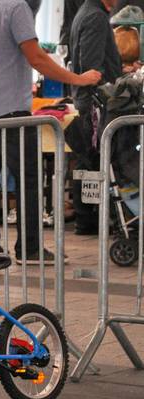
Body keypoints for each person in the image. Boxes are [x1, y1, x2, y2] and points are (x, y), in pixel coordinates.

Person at [0, 0, 101, 264]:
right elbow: (36, 57)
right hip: (11, 112)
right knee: (28, 178)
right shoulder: (17, 8)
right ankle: (29, 248)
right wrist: (79, 79)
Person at [70, 0, 123, 235]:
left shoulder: (88, 12)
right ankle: (88, 219)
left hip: (90, 99)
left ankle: (88, 218)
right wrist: (112, 87)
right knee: (91, 160)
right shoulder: (95, 17)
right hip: (95, 102)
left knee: (89, 159)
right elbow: (91, 68)